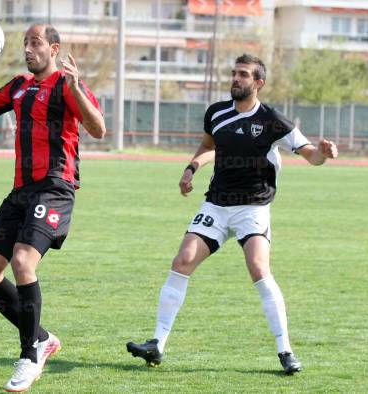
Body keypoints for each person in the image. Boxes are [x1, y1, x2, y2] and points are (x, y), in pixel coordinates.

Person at [126, 53, 338, 375]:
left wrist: (323, 153)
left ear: (258, 83)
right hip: (217, 203)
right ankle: (157, 344)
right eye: (234, 73)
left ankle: (285, 351)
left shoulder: (273, 120)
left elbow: (309, 155)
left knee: (258, 267)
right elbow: (209, 145)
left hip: (252, 206)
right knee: (182, 261)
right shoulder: (216, 113)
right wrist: (191, 168)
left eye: (243, 74)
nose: (235, 79)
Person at [0, 23, 105, 392]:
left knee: (24, 262)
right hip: (21, 191)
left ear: (54, 49)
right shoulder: (18, 86)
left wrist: (75, 87)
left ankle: (29, 357)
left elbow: (98, 128)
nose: (28, 49)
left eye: (36, 43)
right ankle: (42, 337)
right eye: (25, 43)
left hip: (55, 187)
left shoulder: (66, 84)